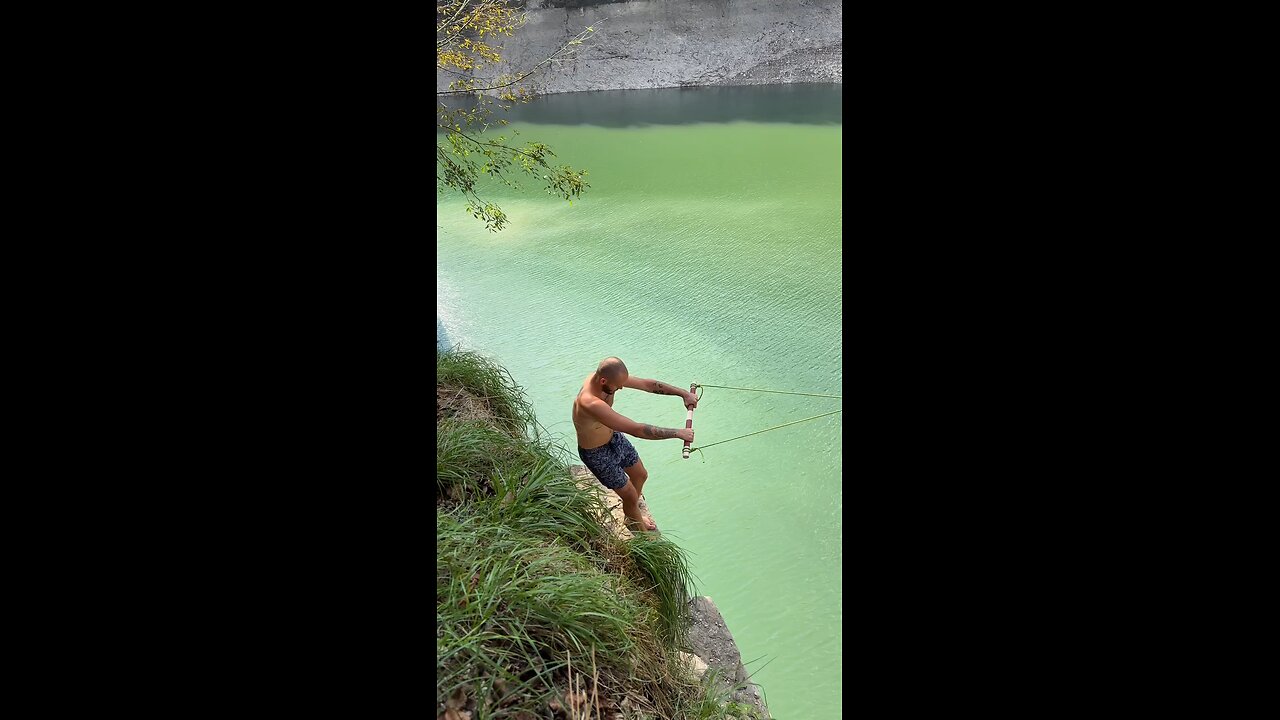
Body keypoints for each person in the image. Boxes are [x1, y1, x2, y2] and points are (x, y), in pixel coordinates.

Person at [572, 357, 697, 531]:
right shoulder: (589, 402)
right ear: (603, 381)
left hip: (613, 438)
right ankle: (643, 536)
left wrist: (683, 394)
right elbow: (636, 429)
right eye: (618, 386)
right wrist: (677, 433)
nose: (621, 388)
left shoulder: (608, 378)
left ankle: (632, 517)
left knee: (640, 475)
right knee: (630, 495)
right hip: (596, 453)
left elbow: (647, 384)